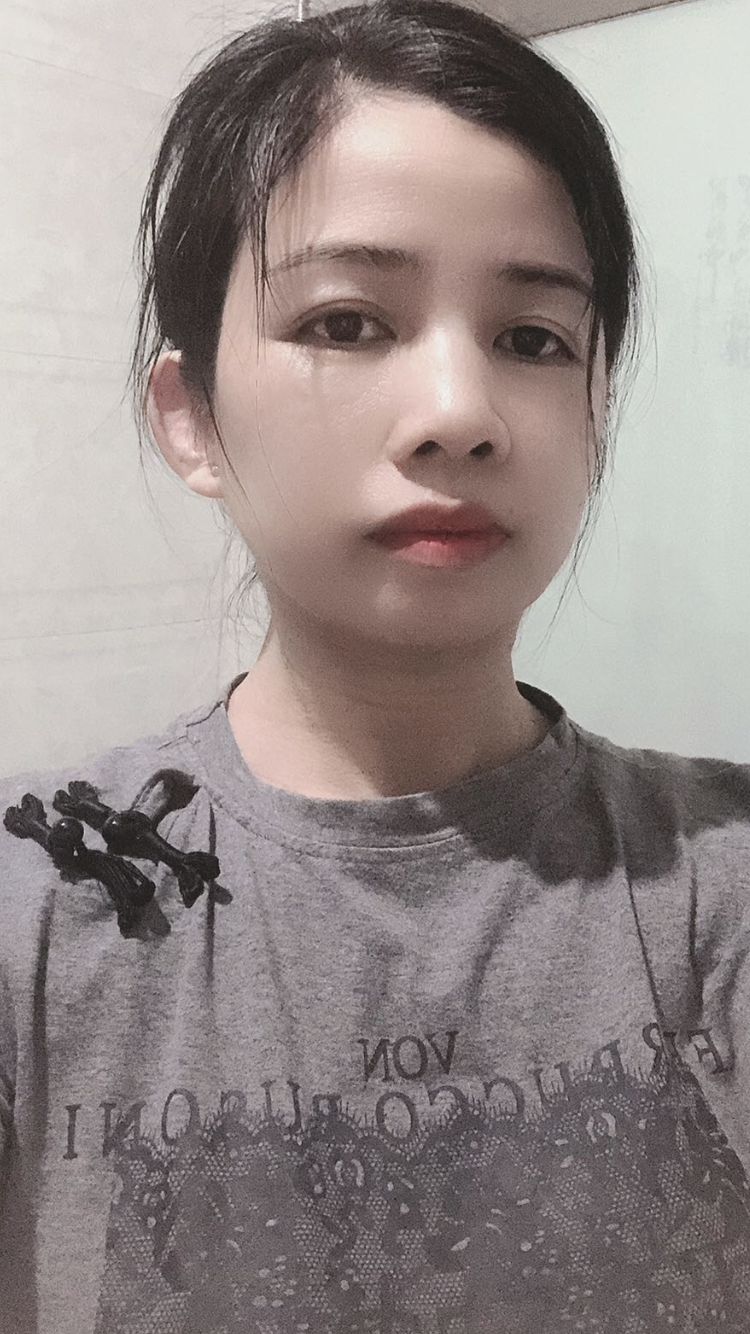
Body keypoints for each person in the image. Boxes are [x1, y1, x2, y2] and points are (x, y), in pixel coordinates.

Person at [2, 0, 749, 1329]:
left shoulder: (719, 883)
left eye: (533, 339)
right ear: (192, 415)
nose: (459, 414)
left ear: (593, 415)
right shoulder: (38, 903)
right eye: (347, 322)